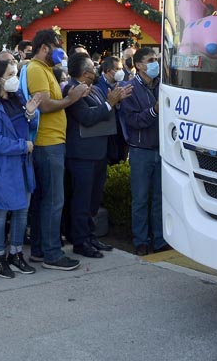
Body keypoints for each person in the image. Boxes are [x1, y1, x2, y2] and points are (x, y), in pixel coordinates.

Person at [25, 29, 89, 271]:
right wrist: (70, 99)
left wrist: (73, 94)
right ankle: (52, 254)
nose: (60, 50)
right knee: (53, 201)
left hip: (51, 142)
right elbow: (44, 104)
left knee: (45, 201)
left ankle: (41, 250)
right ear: (44, 47)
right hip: (47, 143)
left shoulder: (45, 70)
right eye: (57, 45)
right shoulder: (36, 69)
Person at [63, 53, 131, 258]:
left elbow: (105, 111)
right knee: (82, 200)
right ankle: (80, 241)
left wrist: (115, 102)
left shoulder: (96, 89)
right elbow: (87, 117)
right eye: (93, 68)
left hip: (98, 152)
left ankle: (90, 236)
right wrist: (109, 104)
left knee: (93, 200)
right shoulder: (72, 89)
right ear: (85, 72)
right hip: (82, 155)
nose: (96, 71)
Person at [0, 60, 43, 278]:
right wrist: (22, 147)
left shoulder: (18, 99)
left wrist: (31, 114)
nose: (15, 77)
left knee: (21, 210)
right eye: (11, 73)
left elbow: (30, 127)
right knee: (0, 212)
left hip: (22, 166)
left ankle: (16, 254)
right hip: (2, 167)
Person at [118, 48, 169, 256]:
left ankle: (159, 239)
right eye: (151, 60)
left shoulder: (162, 86)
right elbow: (133, 121)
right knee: (140, 199)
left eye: (156, 59)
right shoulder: (128, 88)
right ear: (139, 65)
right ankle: (140, 240)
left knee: (160, 198)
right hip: (141, 152)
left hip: (161, 150)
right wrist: (154, 111)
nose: (155, 63)